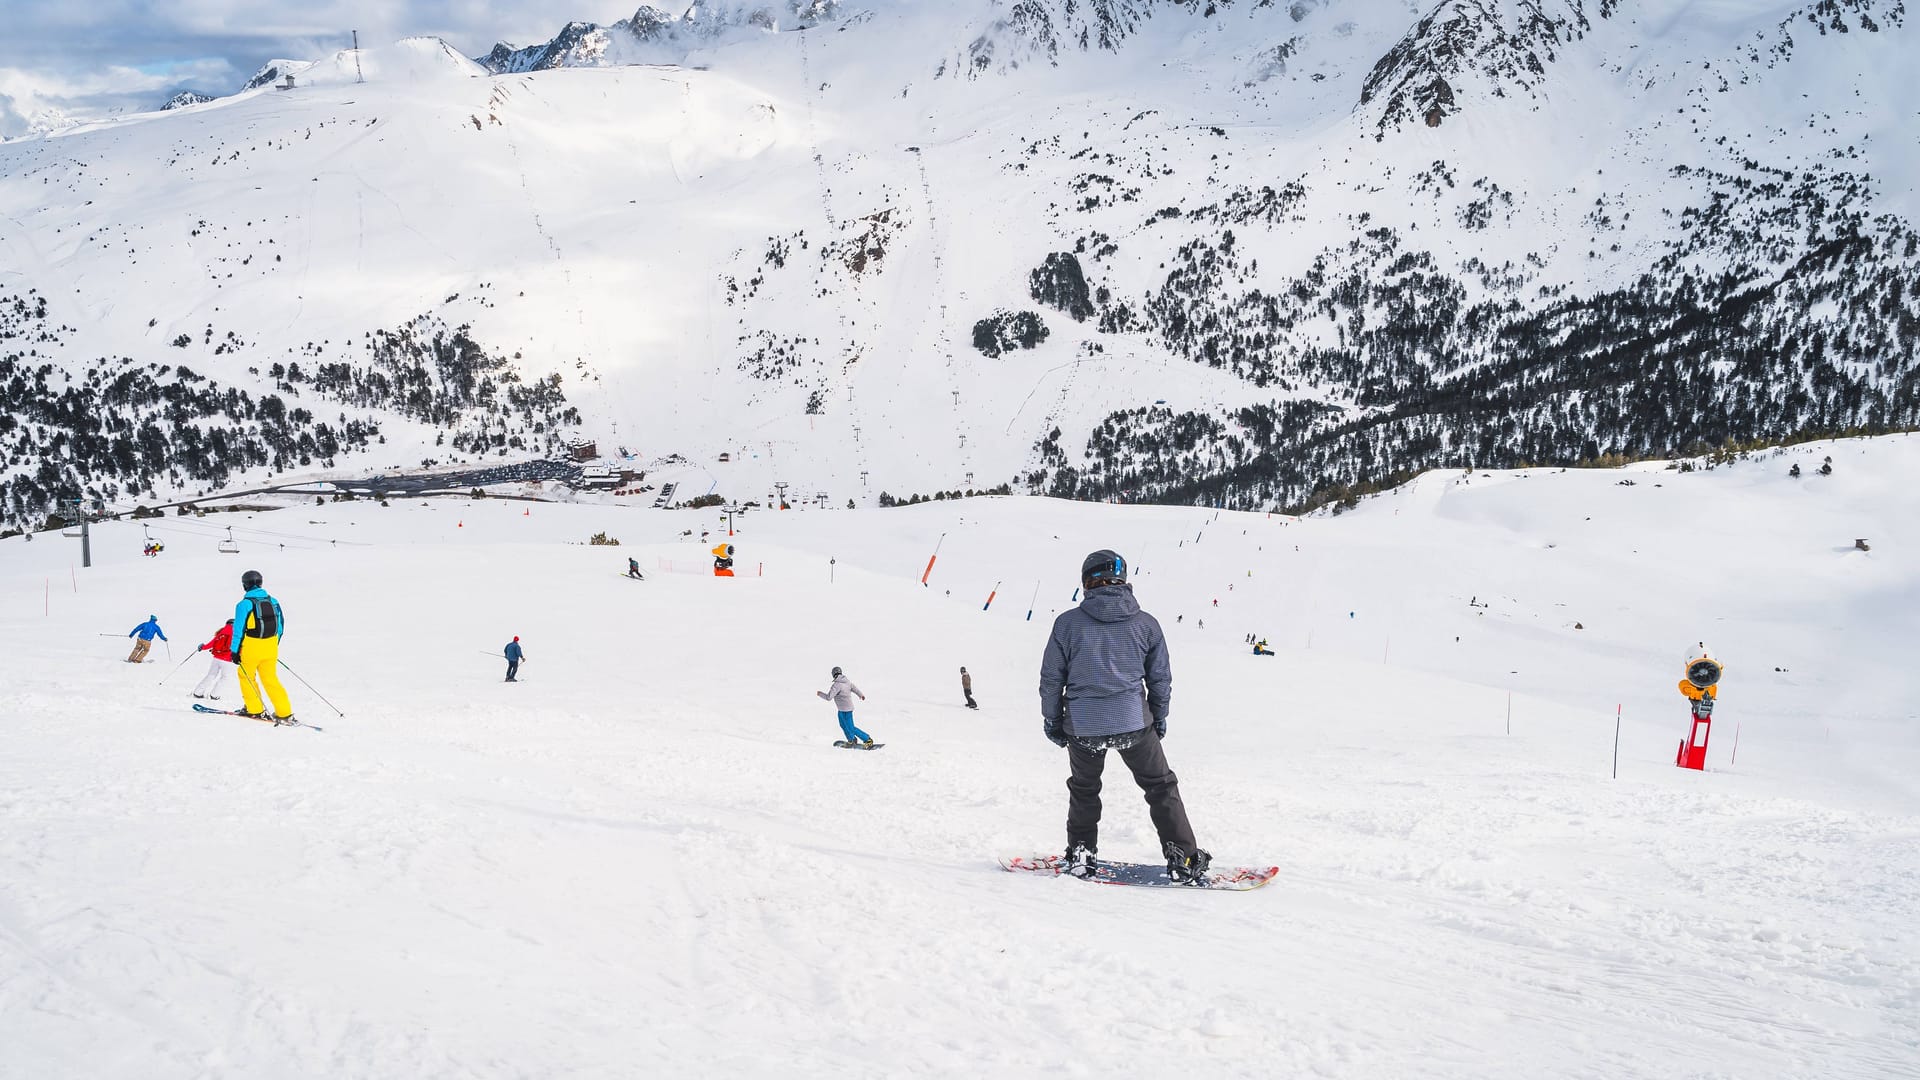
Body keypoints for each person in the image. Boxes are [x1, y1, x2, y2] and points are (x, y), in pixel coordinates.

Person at [1040, 549, 1210, 884]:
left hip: (1083, 726)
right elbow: (1160, 679)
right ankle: (1184, 858)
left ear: (1087, 581)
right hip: (1134, 724)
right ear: (1123, 580)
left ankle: (1082, 855)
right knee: (1160, 787)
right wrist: (1159, 717)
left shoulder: (1068, 624)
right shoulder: (1146, 624)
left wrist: (1053, 722)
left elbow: (1051, 680)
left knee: (1085, 789)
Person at [232, 569, 294, 723]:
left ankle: (255, 709)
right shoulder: (274, 601)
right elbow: (280, 627)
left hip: (252, 647)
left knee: (246, 676)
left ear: (245, 585)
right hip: (271, 646)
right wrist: (273, 645)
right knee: (270, 678)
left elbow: (238, 630)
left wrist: (234, 651)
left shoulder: (244, 604)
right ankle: (284, 712)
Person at [816, 666, 872, 745]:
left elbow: (829, 697)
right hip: (842, 710)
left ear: (833, 674)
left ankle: (867, 739)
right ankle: (851, 740)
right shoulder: (847, 682)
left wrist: (820, 694)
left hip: (846, 710)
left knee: (850, 728)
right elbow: (855, 689)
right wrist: (861, 695)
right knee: (843, 725)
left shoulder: (836, 685)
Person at [192, 619, 235, 698]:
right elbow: (235, 646)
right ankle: (214, 695)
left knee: (211, 675)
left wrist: (202, 647)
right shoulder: (235, 633)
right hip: (227, 660)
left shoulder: (221, 631)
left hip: (216, 658)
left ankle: (198, 692)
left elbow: (211, 643)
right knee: (225, 677)